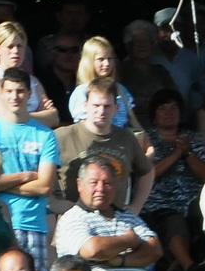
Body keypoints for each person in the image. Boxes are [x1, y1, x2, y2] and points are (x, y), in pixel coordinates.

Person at [54, 159, 160, 271]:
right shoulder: (73, 218)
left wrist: (119, 260)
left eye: (108, 183)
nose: (101, 189)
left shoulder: (130, 218)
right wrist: (129, 240)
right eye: (94, 182)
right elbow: (92, 250)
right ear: (80, 184)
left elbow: (154, 250)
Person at [0, 68, 59, 271]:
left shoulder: (45, 135)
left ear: (30, 93)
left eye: (20, 91)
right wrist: (25, 176)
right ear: (1, 93)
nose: (15, 97)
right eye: (10, 91)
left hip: (33, 224)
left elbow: (44, 186)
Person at [54, 78, 152, 213]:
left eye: (107, 106)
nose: (101, 111)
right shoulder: (62, 137)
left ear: (116, 108)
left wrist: (136, 206)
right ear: (85, 105)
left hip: (116, 220)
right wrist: (53, 203)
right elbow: (39, 173)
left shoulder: (126, 138)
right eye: (96, 105)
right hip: (74, 222)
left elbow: (147, 171)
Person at [141, 88, 205, 271]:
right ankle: (190, 268)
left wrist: (187, 153)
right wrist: (176, 154)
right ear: (154, 115)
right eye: (163, 109)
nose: (169, 113)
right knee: (174, 220)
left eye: (174, 108)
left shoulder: (194, 139)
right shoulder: (145, 140)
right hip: (159, 204)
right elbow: (148, 174)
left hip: (193, 199)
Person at [0, 22, 56, 128]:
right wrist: (40, 115)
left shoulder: (33, 81)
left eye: (20, 46)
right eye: (10, 46)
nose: (15, 51)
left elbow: (54, 118)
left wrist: (21, 116)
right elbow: (8, 118)